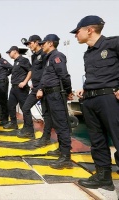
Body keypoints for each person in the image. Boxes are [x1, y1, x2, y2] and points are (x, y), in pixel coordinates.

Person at [71, 15, 117, 191]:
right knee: (97, 141)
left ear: (89, 30)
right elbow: (95, 75)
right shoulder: (88, 53)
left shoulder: (113, 44)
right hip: (90, 100)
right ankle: (104, 178)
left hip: (109, 99)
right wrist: (84, 88)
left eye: (77, 31)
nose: (76, 35)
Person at [37, 34, 74, 169]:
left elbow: (64, 75)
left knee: (62, 124)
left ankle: (66, 158)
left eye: (43, 43)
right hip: (49, 94)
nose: (42, 46)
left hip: (56, 94)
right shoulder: (49, 58)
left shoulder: (58, 56)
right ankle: (61, 150)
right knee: (57, 125)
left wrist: (69, 91)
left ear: (51, 43)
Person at [22, 35, 53, 146]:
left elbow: (46, 72)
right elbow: (35, 71)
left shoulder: (44, 55)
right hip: (35, 87)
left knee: (46, 113)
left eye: (30, 43)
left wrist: (41, 87)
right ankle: (30, 131)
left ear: (36, 42)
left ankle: (46, 137)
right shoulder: (34, 56)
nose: (29, 45)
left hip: (43, 88)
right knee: (25, 108)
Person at [3, 46, 32, 135]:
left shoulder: (24, 60)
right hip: (14, 87)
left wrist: (24, 82)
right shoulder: (15, 62)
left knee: (25, 108)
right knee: (10, 105)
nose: (8, 54)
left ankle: (29, 129)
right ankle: (13, 123)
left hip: (21, 89)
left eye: (9, 52)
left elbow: (31, 71)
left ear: (15, 51)